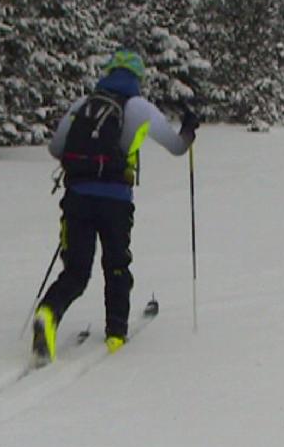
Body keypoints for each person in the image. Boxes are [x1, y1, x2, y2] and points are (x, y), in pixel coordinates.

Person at [33, 50, 198, 362]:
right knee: (117, 264)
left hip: (77, 196)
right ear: (137, 78)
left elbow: (57, 147)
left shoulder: (83, 105)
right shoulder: (139, 108)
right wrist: (189, 128)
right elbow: (177, 147)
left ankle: (48, 313)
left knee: (77, 270)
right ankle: (116, 334)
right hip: (117, 200)